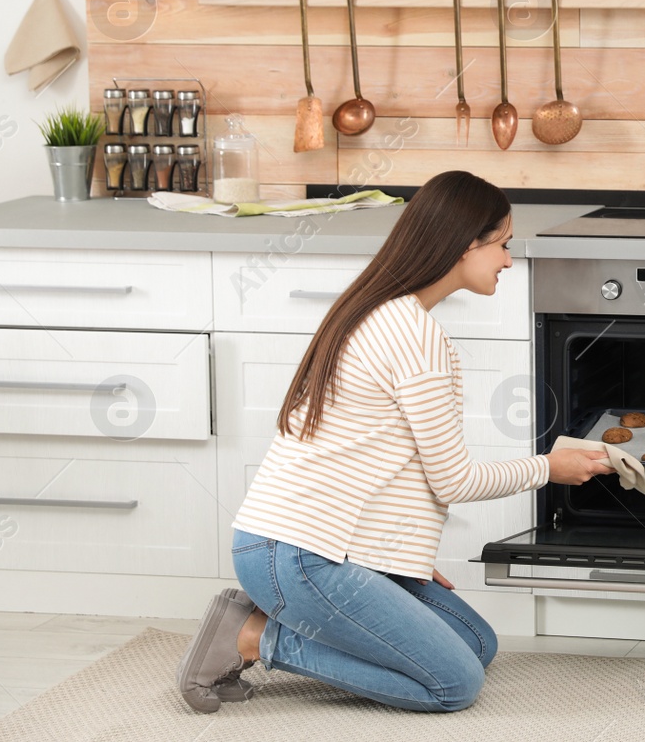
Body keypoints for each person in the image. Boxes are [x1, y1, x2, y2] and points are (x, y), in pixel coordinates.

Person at [175, 171, 612, 714]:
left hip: (299, 548)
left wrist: (393, 554)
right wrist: (551, 467)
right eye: (502, 244)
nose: (507, 260)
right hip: (300, 555)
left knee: (477, 645)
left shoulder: (379, 309)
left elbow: (369, 454)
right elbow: (453, 479)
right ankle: (254, 637)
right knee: (453, 684)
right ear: (465, 244)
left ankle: (266, 613)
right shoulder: (416, 337)